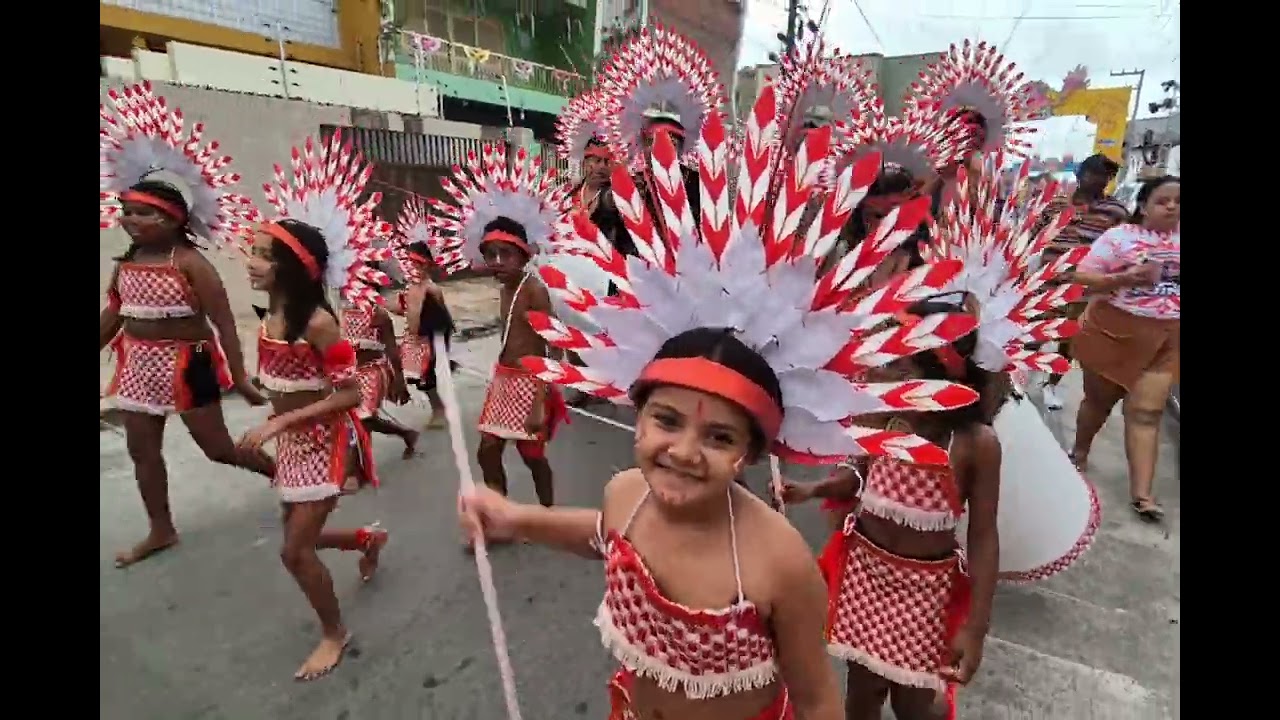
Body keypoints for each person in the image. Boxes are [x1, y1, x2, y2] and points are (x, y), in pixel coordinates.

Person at [459, 86, 979, 718]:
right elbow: (605, 534)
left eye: (720, 436)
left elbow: (820, 704)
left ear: (754, 451)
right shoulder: (627, 492)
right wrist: (512, 516)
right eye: (666, 420)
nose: (683, 451)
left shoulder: (780, 564)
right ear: (638, 411)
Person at [784, 297, 1000, 720]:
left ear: (941, 375)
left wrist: (975, 628)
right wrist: (812, 490)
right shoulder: (882, 415)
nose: (886, 374)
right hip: (866, 576)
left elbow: (983, 536)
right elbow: (861, 478)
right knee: (861, 693)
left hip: (926, 592)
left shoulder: (974, 443)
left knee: (913, 702)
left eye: (901, 367)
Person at [238, 132, 392, 681]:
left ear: (293, 266)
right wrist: (271, 414)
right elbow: (282, 380)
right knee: (295, 536)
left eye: (263, 255)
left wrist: (281, 419)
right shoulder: (268, 314)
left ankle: (335, 633)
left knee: (294, 552)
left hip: (326, 445)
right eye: (252, 251)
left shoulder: (321, 323)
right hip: (293, 443)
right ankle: (364, 540)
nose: (251, 261)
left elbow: (351, 394)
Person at [100, 84, 274, 568]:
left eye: (145, 213)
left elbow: (223, 321)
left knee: (218, 450)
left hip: (189, 366)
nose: (133, 220)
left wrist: (240, 378)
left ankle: (282, 474)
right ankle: (161, 528)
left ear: (175, 220)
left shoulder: (192, 263)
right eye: (128, 211)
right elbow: (115, 313)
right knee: (142, 451)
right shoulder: (128, 262)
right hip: (137, 368)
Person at [425, 145, 573, 508]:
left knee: (532, 456)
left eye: (505, 254)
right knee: (487, 452)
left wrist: (540, 401)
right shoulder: (506, 287)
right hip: (504, 380)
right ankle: (500, 512)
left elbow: (554, 346)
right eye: (490, 254)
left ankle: (548, 511)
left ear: (525, 254)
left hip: (531, 384)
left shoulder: (533, 289)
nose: (496, 261)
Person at [1068, 175, 1179, 522]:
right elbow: (1082, 275)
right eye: (1164, 201)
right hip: (1115, 332)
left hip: (1167, 339)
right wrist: (1123, 278)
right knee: (1099, 403)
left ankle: (1142, 494)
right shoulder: (1119, 238)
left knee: (1147, 414)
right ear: (1144, 205)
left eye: (1179, 202)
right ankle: (1080, 451)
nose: (1173, 207)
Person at [1031, 153, 1128, 410]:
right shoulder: (1056, 204)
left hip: (1085, 290)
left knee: (1069, 341)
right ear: (1079, 175)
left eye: (1105, 176)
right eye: (1093, 174)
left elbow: (1124, 248)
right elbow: (1033, 234)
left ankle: (1051, 385)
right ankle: (1018, 376)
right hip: (1047, 282)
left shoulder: (1116, 211)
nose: (1098, 181)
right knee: (1033, 333)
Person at [340, 285, 417, 457]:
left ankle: (358, 467)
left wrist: (399, 379)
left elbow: (392, 350)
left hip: (373, 371)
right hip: (351, 372)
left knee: (364, 419)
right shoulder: (343, 312)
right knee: (358, 418)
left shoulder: (379, 316)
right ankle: (405, 433)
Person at [400, 239, 454, 428]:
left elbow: (436, 314)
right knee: (419, 375)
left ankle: (439, 410)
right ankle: (438, 407)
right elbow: (406, 309)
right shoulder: (412, 287)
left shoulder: (429, 288)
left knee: (426, 375)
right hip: (421, 336)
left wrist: (417, 337)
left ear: (426, 265)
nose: (414, 268)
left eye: (417, 264)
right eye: (410, 263)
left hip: (431, 335)